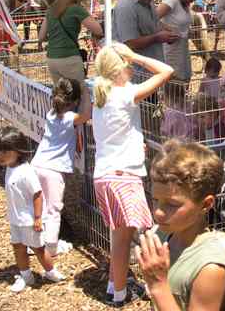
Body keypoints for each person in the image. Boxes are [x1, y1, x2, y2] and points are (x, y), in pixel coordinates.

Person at [92, 43, 173, 306]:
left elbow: (116, 131)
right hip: (123, 176)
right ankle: (120, 293)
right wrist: (136, 56)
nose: (131, 69)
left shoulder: (100, 96)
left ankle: (114, 284)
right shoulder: (125, 94)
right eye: (128, 65)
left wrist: (135, 141)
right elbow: (166, 71)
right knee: (128, 239)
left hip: (105, 174)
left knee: (119, 238)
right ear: (120, 69)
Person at [136, 140, 225, 311]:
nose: (158, 212)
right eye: (156, 200)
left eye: (172, 204)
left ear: (206, 204)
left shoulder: (210, 268)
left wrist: (158, 286)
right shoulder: (164, 237)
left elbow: (161, 291)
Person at [0, 127, 65, 292]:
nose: (0, 156)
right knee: (17, 246)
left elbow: (37, 194)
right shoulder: (10, 168)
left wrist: (38, 217)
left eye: (5, 151)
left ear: (18, 151)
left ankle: (51, 272)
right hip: (15, 219)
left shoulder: (26, 171)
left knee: (38, 248)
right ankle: (26, 276)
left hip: (29, 220)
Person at [31, 78, 91, 257]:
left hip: (37, 164)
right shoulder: (70, 118)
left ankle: (33, 243)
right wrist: (87, 93)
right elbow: (86, 115)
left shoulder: (51, 113)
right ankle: (51, 246)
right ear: (74, 102)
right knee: (53, 209)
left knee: (38, 206)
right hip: (53, 170)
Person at [39, 0, 103, 85]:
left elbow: (41, 36)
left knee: (62, 95)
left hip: (52, 58)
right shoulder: (76, 9)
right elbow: (98, 30)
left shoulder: (51, 9)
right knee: (81, 95)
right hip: (69, 58)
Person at [113, 0, 178, 73]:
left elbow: (152, 23)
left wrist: (165, 30)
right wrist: (157, 37)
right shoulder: (126, 6)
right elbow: (130, 43)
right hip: (135, 73)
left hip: (150, 69)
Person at [157, 0, 205, 82]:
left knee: (183, 85)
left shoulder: (186, 4)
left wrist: (187, 32)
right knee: (174, 88)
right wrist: (168, 29)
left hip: (182, 51)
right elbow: (152, 18)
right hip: (170, 53)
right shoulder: (172, 0)